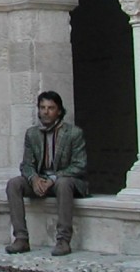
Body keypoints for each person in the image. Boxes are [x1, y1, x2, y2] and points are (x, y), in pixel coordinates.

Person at [5, 91, 89, 257]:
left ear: (58, 111)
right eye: (42, 107)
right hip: (41, 181)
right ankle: (21, 239)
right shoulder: (32, 133)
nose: (46, 111)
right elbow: (27, 164)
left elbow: (80, 165)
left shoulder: (73, 133)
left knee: (63, 183)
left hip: (65, 181)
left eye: (50, 108)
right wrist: (34, 178)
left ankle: (63, 240)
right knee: (14, 184)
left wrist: (53, 179)